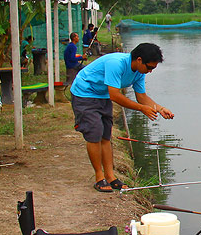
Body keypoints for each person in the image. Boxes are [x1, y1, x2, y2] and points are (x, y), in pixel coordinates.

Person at [70, 42, 174, 193]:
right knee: (94, 133)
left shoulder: (139, 72)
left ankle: (110, 177)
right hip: (85, 93)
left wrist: (160, 108)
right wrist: (141, 109)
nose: (150, 71)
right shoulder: (116, 64)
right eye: (149, 67)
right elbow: (115, 95)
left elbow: (142, 97)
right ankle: (99, 178)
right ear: (139, 60)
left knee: (106, 135)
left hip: (102, 95)